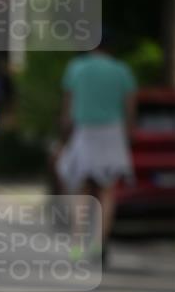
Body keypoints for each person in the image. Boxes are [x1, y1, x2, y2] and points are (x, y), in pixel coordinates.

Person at [56, 35, 137, 262]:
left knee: (82, 190)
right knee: (107, 191)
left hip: (85, 132)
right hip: (112, 132)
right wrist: (129, 133)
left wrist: (64, 137)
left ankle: (77, 242)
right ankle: (100, 243)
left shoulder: (77, 68)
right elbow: (130, 106)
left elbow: (67, 105)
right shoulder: (121, 70)